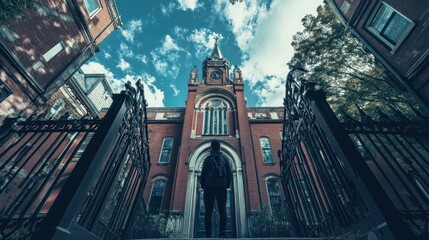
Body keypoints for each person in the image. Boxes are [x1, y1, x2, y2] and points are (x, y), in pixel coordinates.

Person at [200, 140, 232, 238]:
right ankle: (222, 233)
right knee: (222, 210)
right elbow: (229, 172)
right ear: (219, 148)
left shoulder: (207, 158)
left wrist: (203, 185)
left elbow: (203, 173)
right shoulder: (224, 158)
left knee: (208, 211)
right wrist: (226, 184)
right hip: (221, 186)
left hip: (209, 186)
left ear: (211, 148)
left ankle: (208, 234)